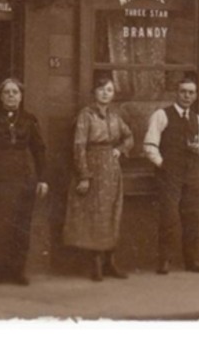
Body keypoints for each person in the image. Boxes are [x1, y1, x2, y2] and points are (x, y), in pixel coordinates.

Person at [0, 76, 48, 284]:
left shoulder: (30, 120)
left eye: (15, 92)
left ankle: (16, 270)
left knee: (20, 222)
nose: (11, 96)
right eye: (7, 92)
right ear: (0, 96)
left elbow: (39, 149)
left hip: (23, 175)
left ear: (21, 96)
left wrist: (42, 179)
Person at [63, 73, 135, 281]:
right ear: (94, 92)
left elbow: (129, 136)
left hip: (111, 171)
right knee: (96, 215)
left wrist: (120, 150)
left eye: (110, 90)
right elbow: (79, 146)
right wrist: (84, 176)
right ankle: (96, 265)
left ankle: (110, 262)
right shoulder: (86, 115)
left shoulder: (115, 116)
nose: (106, 93)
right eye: (102, 89)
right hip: (93, 168)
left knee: (112, 213)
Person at [143, 73, 199, 274]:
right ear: (176, 93)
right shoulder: (161, 115)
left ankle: (191, 260)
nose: (187, 96)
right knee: (169, 218)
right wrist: (163, 165)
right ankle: (165, 261)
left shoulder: (197, 119)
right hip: (169, 175)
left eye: (191, 93)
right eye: (183, 92)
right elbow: (149, 145)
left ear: (195, 96)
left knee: (192, 217)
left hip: (191, 174)